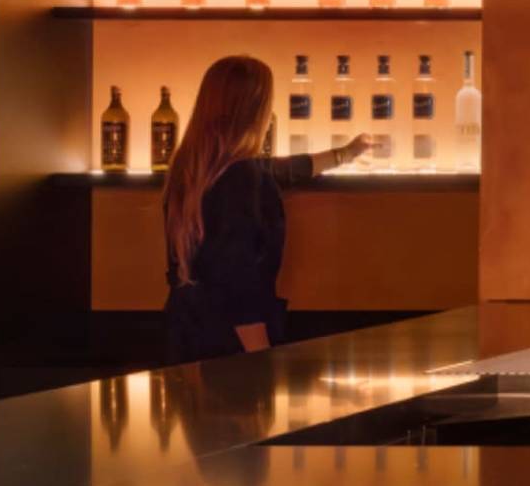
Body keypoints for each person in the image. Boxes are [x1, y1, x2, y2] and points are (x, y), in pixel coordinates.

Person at [159, 54, 383, 362]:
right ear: (255, 110)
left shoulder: (188, 170)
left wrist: (346, 154)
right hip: (230, 348)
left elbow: (282, 169)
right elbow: (239, 282)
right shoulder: (242, 178)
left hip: (186, 331)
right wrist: (260, 358)